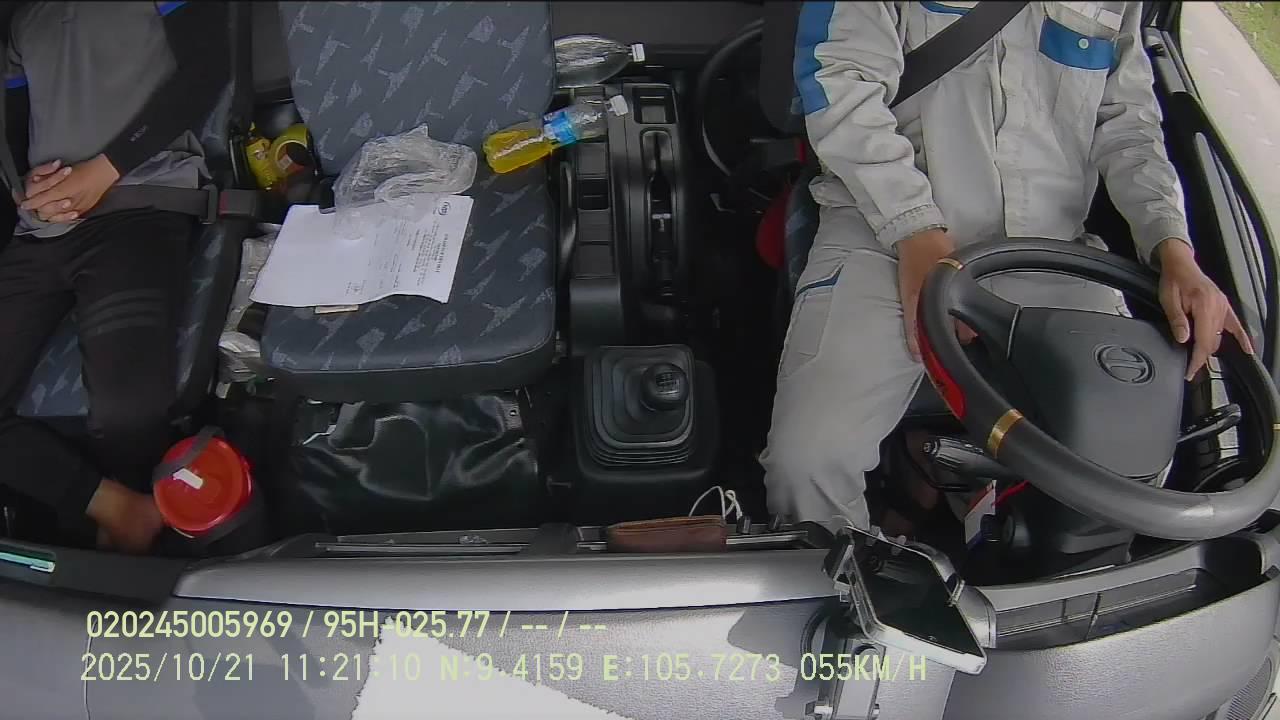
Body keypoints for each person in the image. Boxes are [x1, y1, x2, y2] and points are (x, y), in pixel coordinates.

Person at [762, 1, 1253, 531]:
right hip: (887, 232)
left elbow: (1129, 124)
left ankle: (1002, 531)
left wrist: (1172, 247)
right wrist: (915, 229)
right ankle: (852, 568)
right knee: (807, 465)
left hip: (1050, 250)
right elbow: (840, 84)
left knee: (1130, 467)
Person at [0, 1, 228, 553]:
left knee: (128, 408)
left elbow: (206, 68)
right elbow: (16, 123)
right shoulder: (23, 21)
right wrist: (28, 186)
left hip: (139, 203)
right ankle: (117, 508)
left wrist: (105, 170)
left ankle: (132, 525)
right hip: (43, 231)